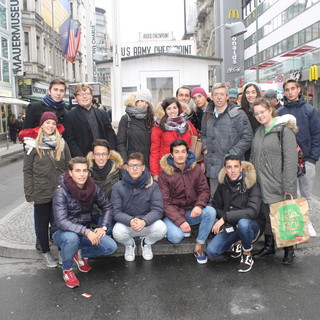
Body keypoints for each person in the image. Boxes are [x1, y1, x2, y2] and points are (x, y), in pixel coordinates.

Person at [52, 157, 117, 288]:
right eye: (77, 171)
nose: (82, 174)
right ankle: (67, 269)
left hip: (82, 231)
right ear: (70, 173)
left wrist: (103, 227)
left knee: (111, 247)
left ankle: (80, 254)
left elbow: (107, 207)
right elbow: (61, 222)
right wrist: (87, 231)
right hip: (62, 233)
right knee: (71, 239)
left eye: (84, 170)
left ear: (88, 172)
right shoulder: (61, 191)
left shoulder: (92, 187)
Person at [250, 97, 298, 265]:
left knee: (284, 216)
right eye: (256, 114)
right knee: (267, 216)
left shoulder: (284, 131)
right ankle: (270, 246)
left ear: (270, 110)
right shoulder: (258, 132)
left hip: (279, 183)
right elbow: (253, 156)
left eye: (262, 112)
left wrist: (289, 186)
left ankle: (289, 249)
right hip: (262, 183)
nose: (260, 116)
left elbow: (291, 160)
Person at [20, 112, 71, 268]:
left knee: (59, 223)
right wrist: (29, 194)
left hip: (59, 191)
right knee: (42, 224)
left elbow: (69, 166)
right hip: (40, 191)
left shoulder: (62, 143)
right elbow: (27, 170)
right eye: (47, 122)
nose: (50, 126)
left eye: (53, 123)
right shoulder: (32, 145)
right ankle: (46, 253)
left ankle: (62, 250)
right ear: (41, 125)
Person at [158, 139, 216, 264]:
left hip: (191, 211)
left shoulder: (196, 169)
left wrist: (199, 206)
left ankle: (199, 246)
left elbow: (205, 191)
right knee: (176, 237)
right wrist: (180, 221)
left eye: (183, 151)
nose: (180, 155)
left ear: (187, 153)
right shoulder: (164, 175)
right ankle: (170, 229)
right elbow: (165, 203)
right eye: (177, 152)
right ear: (171, 155)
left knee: (210, 211)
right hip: (173, 214)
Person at [206, 154, 262, 273]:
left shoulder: (252, 184)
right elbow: (216, 207)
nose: (233, 170)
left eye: (236, 166)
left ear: (241, 168)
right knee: (211, 251)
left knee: (243, 224)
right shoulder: (222, 185)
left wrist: (226, 217)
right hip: (231, 226)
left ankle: (247, 253)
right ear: (225, 170)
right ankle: (237, 241)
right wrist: (226, 221)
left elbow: (253, 211)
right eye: (229, 167)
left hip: (251, 225)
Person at [278, 79, 320, 237]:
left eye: (292, 89)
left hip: (307, 159)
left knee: (306, 194)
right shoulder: (281, 112)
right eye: (287, 89)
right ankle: (293, 224)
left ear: (298, 90)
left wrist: (313, 158)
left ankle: (307, 222)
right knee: (290, 192)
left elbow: (317, 135)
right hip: (287, 161)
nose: (290, 92)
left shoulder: (309, 110)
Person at [111, 152, 166, 261]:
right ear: (126, 167)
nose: (135, 169)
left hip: (146, 224)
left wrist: (144, 221)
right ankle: (130, 245)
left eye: (138, 165)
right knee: (117, 231)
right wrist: (130, 220)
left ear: (143, 167)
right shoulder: (117, 187)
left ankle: (146, 242)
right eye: (131, 165)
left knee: (161, 228)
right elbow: (116, 212)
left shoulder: (153, 185)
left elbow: (158, 209)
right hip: (128, 224)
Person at [201, 83, 253, 199]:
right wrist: (205, 147)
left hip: (232, 166)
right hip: (213, 165)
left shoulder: (238, 113)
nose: (219, 97)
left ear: (227, 96)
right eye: (216, 94)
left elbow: (247, 137)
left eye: (222, 94)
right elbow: (203, 134)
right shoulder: (207, 114)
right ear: (212, 97)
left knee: (235, 200)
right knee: (216, 199)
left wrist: (232, 154)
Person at [150, 97, 198, 180]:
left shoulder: (187, 123)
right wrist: (155, 173)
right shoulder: (159, 126)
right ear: (165, 111)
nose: (172, 111)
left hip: (186, 166)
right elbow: (155, 151)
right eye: (169, 108)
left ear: (179, 108)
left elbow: (196, 142)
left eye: (174, 108)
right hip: (167, 168)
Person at [63, 83, 117, 157]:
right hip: (83, 159)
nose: (84, 97)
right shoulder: (69, 116)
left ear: (91, 96)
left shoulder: (103, 113)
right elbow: (70, 141)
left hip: (103, 157)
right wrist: (81, 158)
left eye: (87, 94)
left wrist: (110, 151)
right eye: (80, 94)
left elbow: (110, 133)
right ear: (75, 97)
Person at [87, 139, 123, 233]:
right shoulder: (85, 171)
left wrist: (148, 178)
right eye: (98, 154)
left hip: (108, 213)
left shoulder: (118, 170)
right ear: (93, 155)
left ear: (109, 155)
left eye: (104, 154)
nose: (101, 157)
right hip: (90, 212)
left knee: (106, 232)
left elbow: (136, 174)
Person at [117, 89, 154, 168]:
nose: (143, 104)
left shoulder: (150, 118)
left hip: (146, 163)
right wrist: (124, 162)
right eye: (141, 101)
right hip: (131, 163)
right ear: (136, 101)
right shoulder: (126, 118)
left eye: (146, 102)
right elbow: (120, 142)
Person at [241, 82, 262, 160]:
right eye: (247, 92)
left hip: (260, 148)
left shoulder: (263, 111)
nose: (250, 95)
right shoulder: (241, 112)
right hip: (245, 150)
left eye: (253, 92)